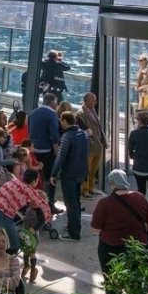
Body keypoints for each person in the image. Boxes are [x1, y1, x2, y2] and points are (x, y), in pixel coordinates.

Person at [91, 170, 148, 294]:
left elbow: (95, 229)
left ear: (112, 184)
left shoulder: (104, 203)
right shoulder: (140, 198)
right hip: (136, 249)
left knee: (112, 285)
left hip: (110, 249)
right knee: (135, 286)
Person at [52, 111, 90, 241]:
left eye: (61, 121)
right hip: (81, 173)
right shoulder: (83, 134)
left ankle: (74, 233)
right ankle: (74, 226)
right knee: (77, 202)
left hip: (69, 174)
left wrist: (54, 173)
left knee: (71, 204)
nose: (60, 123)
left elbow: (60, 157)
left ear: (64, 121)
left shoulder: (67, 136)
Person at [28, 93, 62, 211]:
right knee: (50, 178)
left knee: (34, 178)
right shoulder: (52, 115)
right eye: (56, 102)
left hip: (33, 150)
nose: (57, 105)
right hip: (46, 151)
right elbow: (54, 136)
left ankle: (33, 203)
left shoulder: (33, 113)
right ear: (52, 102)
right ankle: (49, 204)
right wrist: (57, 152)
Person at [78, 92, 106, 198]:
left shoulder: (93, 111)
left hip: (98, 145)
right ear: (87, 100)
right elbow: (82, 128)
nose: (96, 102)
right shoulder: (81, 113)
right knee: (87, 169)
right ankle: (84, 190)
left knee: (94, 169)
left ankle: (91, 188)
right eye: (93, 100)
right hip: (90, 146)